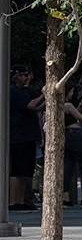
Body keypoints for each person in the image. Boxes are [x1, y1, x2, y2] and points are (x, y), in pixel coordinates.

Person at [9, 64, 43, 211]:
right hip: (19, 136)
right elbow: (31, 105)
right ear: (16, 76)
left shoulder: (22, 91)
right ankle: (13, 201)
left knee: (25, 171)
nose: (27, 77)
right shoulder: (14, 91)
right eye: (24, 75)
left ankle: (21, 200)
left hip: (27, 136)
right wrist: (44, 94)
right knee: (17, 171)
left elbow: (36, 108)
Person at [62, 87, 82, 207]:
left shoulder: (58, 105)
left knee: (68, 165)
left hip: (66, 135)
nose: (72, 93)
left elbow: (73, 117)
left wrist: (78, 106)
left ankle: (65, 196)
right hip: (75, 134)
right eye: (71, 91)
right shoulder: (67, 105)